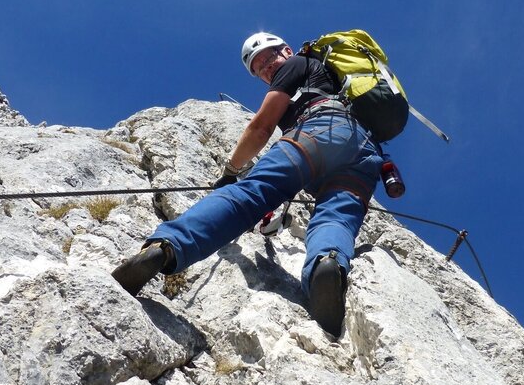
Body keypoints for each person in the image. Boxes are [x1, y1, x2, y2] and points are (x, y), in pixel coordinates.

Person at [112, 32, 384, 337]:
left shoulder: (296, 64)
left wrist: (231, 171)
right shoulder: (333, 80)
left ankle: (167, 247)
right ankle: (327, 265)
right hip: (364, 154)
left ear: (286, 50)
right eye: (259, 69)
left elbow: (261, 127)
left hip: (317, 131)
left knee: (252, 194)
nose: (267, 68)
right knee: (337, 217)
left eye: (268, 58)